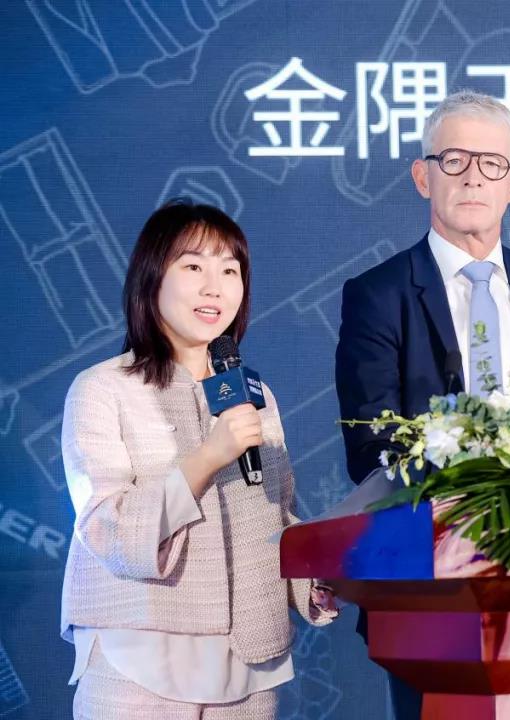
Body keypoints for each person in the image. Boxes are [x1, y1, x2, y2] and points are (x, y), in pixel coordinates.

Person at [335, 90, 510, 719]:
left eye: (491, 163)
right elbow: (370, 445)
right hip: (431, 585)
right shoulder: (378, 295)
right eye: (453, 160)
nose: (473, 177)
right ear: (423, 176)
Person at [61, 199, 337, 719]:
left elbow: (275, 516)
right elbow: (108, 529)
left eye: (230, 271)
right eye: (193, 267)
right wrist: (209, 456)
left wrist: (316, 580)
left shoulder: (255, 394)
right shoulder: (102, 389)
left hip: (249, 665)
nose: (215, 287)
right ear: (151, 278)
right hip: (139, 659)